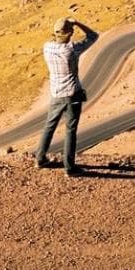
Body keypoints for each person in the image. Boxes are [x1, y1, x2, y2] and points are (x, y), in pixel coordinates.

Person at [35, 17, 98, 176]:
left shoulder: (47, 47)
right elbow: (93, 36)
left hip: (56, 93)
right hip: (72, 93)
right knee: (70, 130)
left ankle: (40, 159)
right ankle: (69, 168)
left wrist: (62, 27)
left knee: (49, 126)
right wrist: (77, 22)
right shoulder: (72, 48)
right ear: (69, 33)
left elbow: (54, 38)